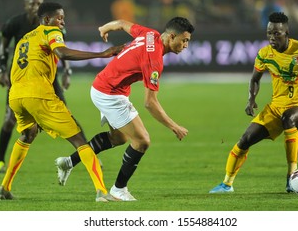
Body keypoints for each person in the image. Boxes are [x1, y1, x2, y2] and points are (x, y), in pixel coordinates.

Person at [54, 17, 195, 201]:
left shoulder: (150, 33)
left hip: (104, 85)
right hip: (109, 93)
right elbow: (150, 103)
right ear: (171, 37)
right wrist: (174, 126)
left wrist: (104, 27)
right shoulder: (154, 61)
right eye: (184, 40)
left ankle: (68, 162)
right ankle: (119, 189)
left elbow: (121, 23)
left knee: (118, 138)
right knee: (142, 141)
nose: (185, 45)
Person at [0, 2, 123, 202]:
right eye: (59, 18)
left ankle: (4, 189)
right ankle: (102, 192)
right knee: (79, 139)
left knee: (28, 134)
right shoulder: (51, 31)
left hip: (16, 96)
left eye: (63, 18)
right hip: (38, 95)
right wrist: (102, 54)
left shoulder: (24, 39)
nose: (62, 21)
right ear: (46, 19)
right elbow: (62, 53)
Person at [209, 12, 298, 193]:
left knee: (288, 118)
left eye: (277, 33)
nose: (272, 37)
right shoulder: (265, 54)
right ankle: (227, 184)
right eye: (269, 33)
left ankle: (291, 177)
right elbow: (255, 79)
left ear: (286, 32)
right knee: (245, 140)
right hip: (275, 107)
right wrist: (251, 99)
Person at [0, 0, 72, 173]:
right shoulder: (15, 23)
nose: (35, 7)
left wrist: (67, 71)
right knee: (9, 120)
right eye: (32, 4)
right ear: (25, 6)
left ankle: (82, 155)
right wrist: (1, 69)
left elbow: (63, 48)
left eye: (39, 4)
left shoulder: (52, 23)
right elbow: (3, 46)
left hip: (47, 77)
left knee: (65, 116)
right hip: (21, 77)